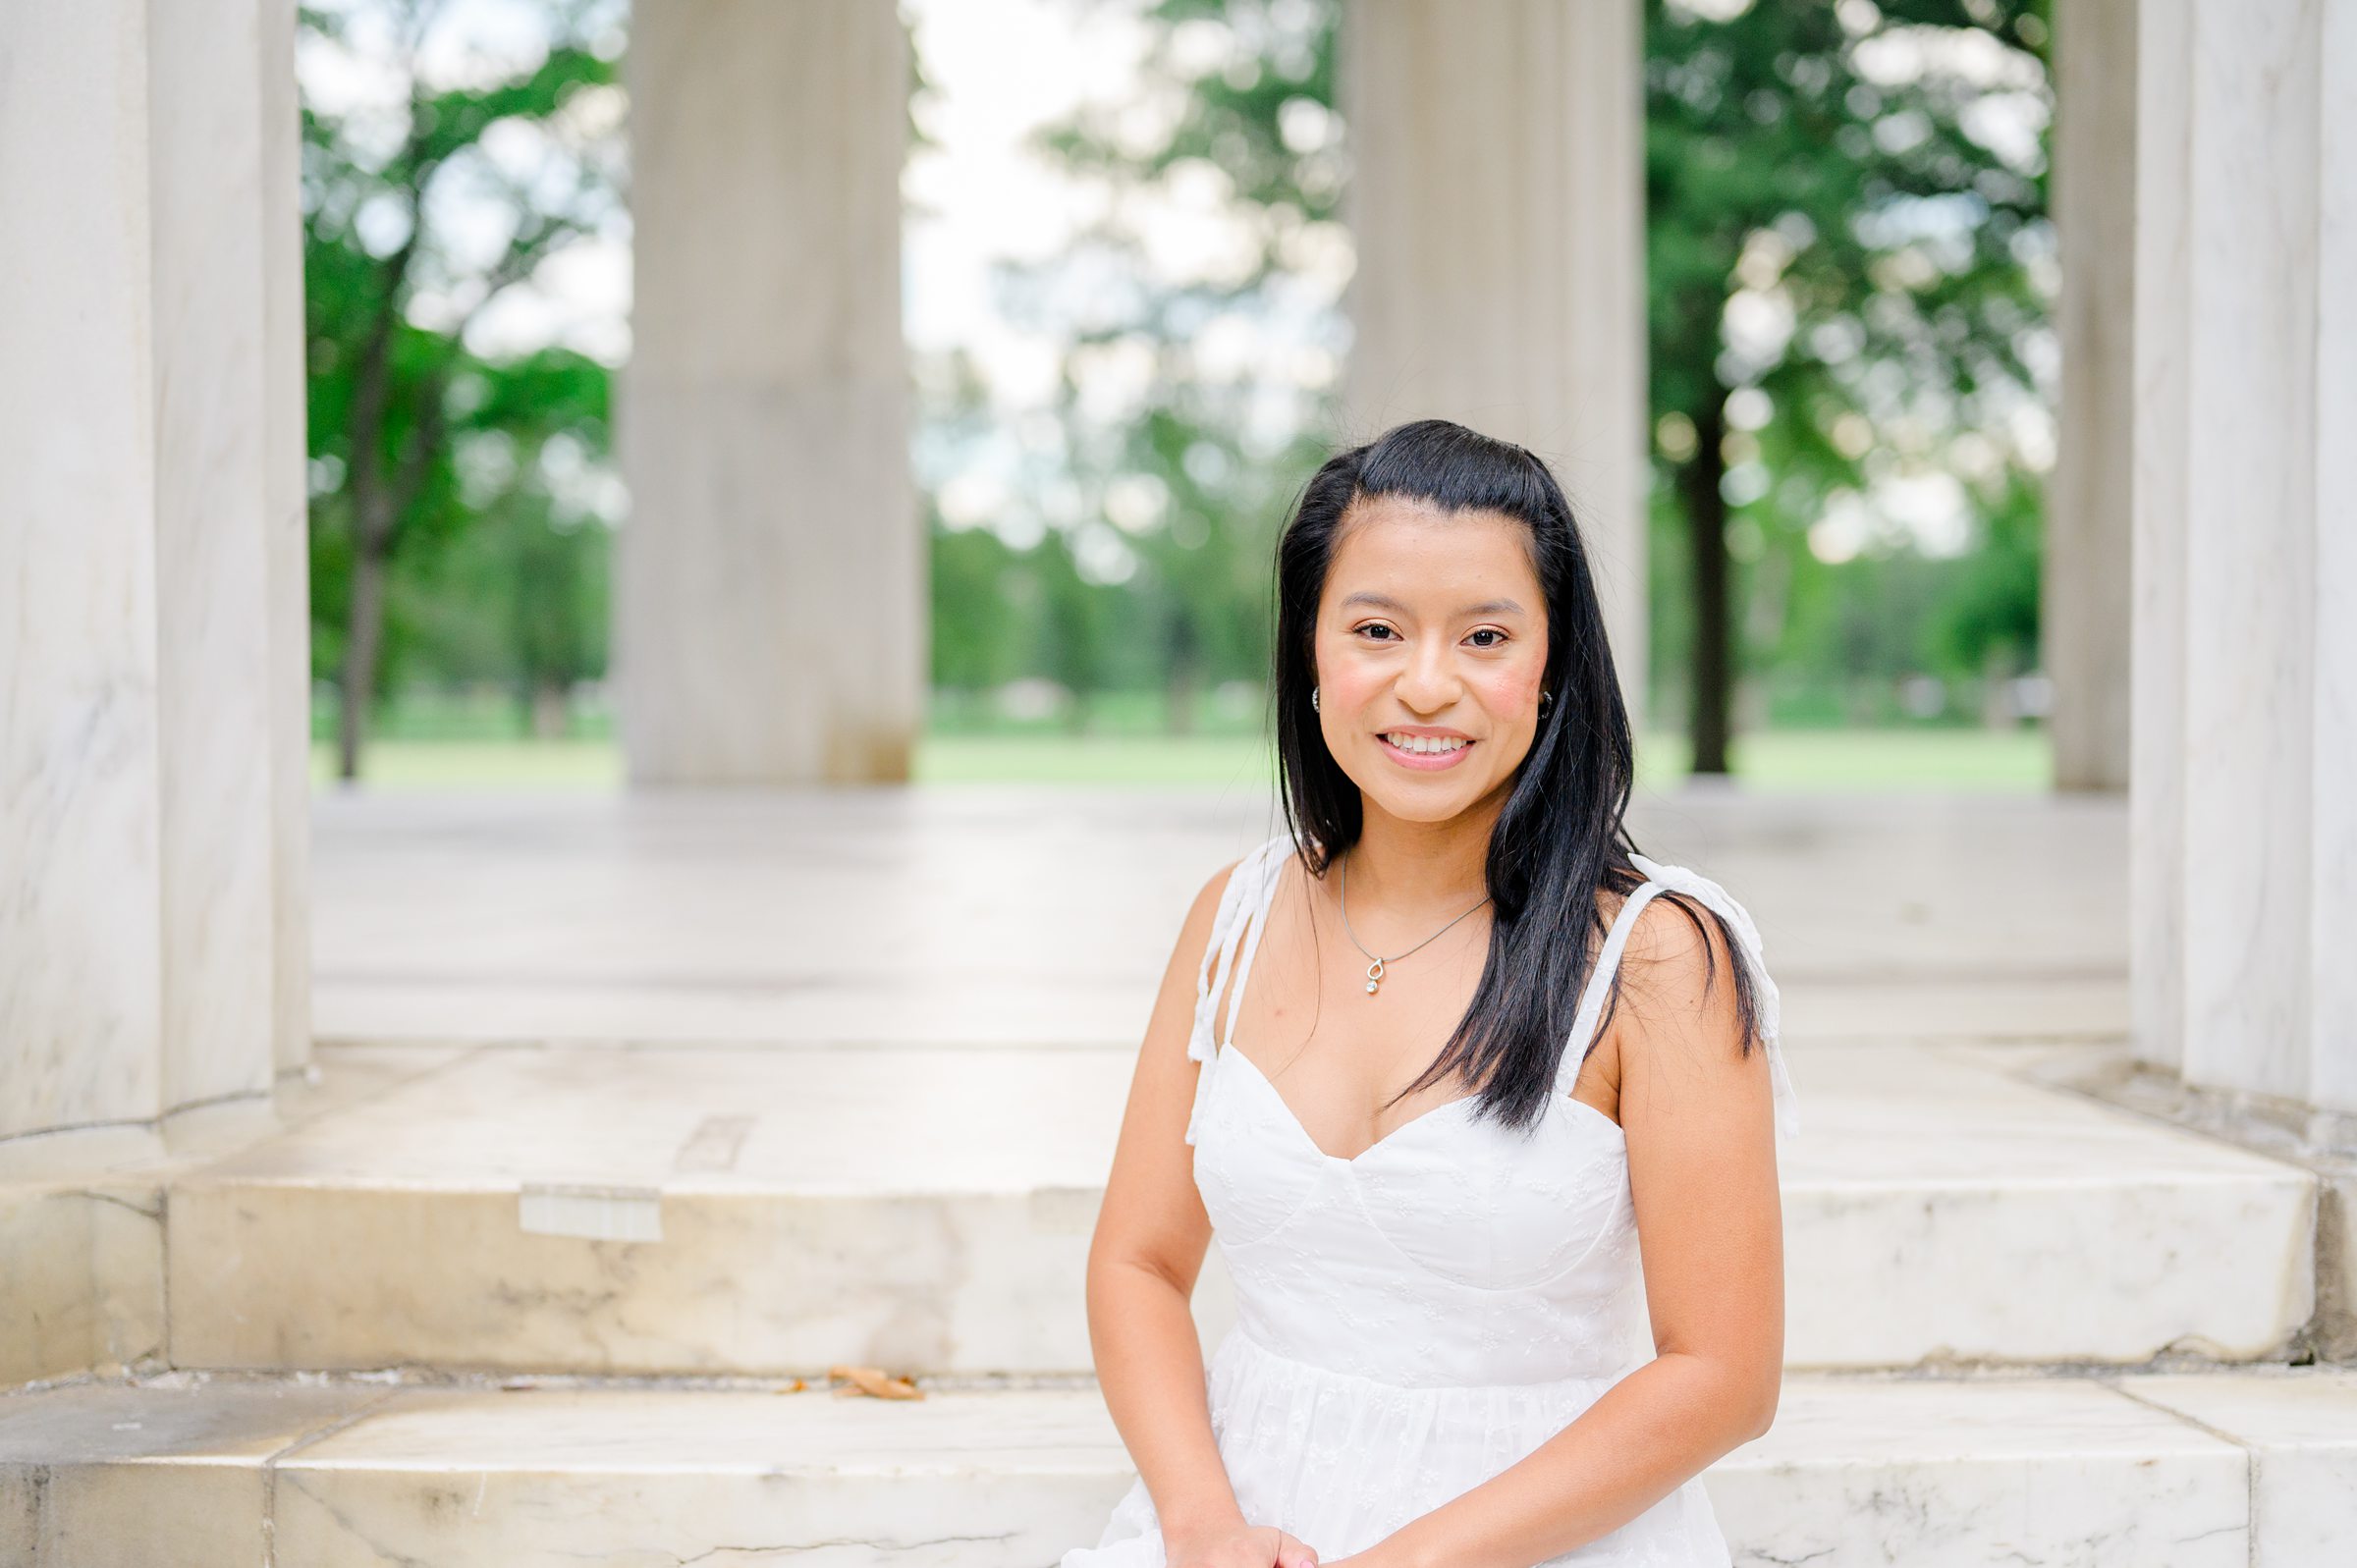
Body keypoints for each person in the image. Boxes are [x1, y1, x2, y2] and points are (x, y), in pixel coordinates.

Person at [1060, 419, 1800, 1568]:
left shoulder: (1655, 957)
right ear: (1312, 652)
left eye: (1486, 635)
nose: (1427, 684)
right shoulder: (1235, 916)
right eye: (1376, 630)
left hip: (1541, 1535)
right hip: (1239, 1518)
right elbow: (1139, 1263)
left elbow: (1722, 1373)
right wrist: (1199, 1521)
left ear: (1551, 668)